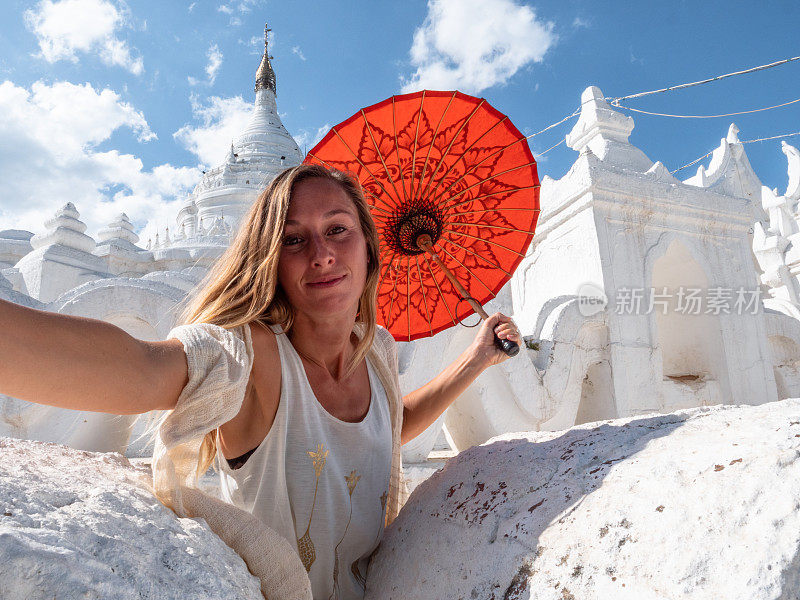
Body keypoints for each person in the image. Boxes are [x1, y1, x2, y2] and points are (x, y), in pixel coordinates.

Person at [0, 164, 521, 600]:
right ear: (270, 262)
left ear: (368, 246)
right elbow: (141, 367)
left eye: (338, 229)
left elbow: (392, 426)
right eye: (294, 239)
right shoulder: (254, 356)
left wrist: (475, 359)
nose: (321, 254)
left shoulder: (376, 350)